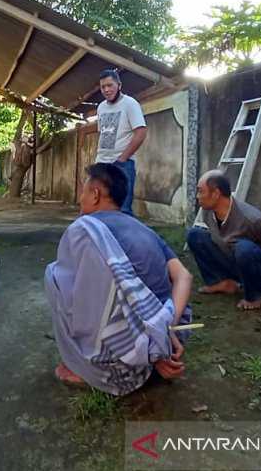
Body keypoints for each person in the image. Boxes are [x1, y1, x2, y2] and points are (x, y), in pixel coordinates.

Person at [45, 163, 194, 395]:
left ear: (95, 195)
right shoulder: (145, 229)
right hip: (169, 341)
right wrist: (164, 328)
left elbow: (87, 299)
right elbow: (184, 276)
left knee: (54, 275)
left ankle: (84, 364)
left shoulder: (83, 230)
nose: (79, 199)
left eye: (82, 192)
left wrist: (154, 339)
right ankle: (152, 348)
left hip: (130, 356)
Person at [187, 170, 261, 310]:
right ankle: (222, 282)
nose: (198, 196)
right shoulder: (208, 212)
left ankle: (253, 297)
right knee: (195, 235)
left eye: (200, 191)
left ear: (216, 194)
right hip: (236, 261)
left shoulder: (253, 220)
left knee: (243, 248)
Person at [95, 69, 147, 215]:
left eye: (110, 85)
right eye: (103, 87)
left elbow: (141, 132)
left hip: (122, 165)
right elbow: (103, 134)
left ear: (119, 85)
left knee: (122, 209)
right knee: (100, 207)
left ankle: (124, 238)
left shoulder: (130, 104)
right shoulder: (101, 107)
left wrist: (122, 159)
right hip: (101, 164)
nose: (106, 89)